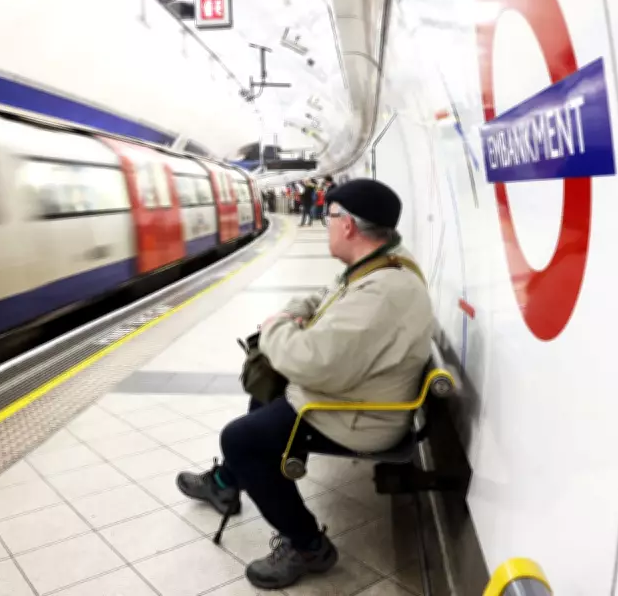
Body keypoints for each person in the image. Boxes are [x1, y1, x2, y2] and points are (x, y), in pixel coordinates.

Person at [176, 178, 435, 590]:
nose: (325, 224)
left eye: (330, 217)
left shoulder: (382, 292)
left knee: (240, 439)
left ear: (348, 225)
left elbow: (310, 363)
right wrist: (292, 315)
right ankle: (226, 482)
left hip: (358, 416)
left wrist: (276, 328)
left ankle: (308, 546)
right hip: (355, 394)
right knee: (265, 393)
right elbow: (320, 298)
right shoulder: (380, 265)